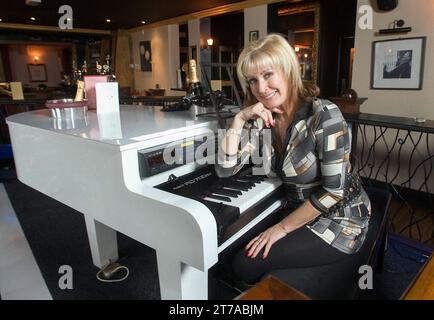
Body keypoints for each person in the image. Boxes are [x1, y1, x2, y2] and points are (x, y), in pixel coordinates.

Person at [215, 34, 371, 286]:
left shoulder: (324, 115)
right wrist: (240, 118)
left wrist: (281, 229)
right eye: (253, 81)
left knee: (244, 264)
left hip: (339, 219)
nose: (261, 88)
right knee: (226, 247)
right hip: (296, 210)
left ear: (288, 70)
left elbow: (334, 191)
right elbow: (225, 169)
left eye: (268, 75)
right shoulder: (261, 119)